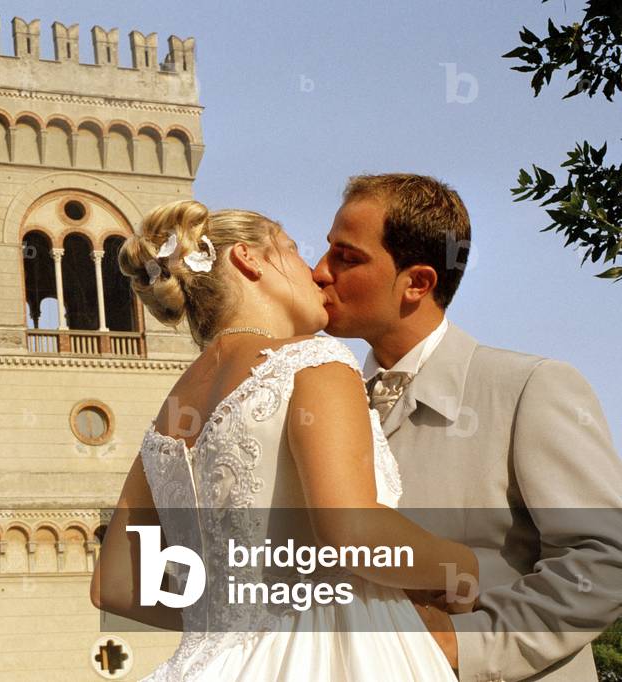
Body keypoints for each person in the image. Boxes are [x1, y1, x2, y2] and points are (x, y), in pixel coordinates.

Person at [90, 199, 478, 680]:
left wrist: (225, 618)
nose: (316, 273)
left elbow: (117, 584)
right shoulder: (312, 362)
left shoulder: (167, 418)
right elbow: (351, 533)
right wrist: (458, 566)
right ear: (248, 259)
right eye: (293, 250)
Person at [312, 173, 622, 681]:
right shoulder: (323, 405)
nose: (319, 272)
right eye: (327, 251)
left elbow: (605, 558)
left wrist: (463, 646)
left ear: (417, 283)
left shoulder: (530, 387)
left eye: (347, 257)